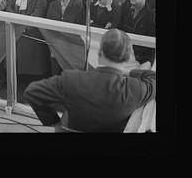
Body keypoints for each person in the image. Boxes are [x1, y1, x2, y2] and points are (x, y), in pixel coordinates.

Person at [23, 29, 156, 132]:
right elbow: (153, 79)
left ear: (99, 53)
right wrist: (130, 72)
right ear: (127, 58)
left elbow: (32, 92)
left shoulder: (72, 79)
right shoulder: (134, 89)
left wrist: (54, 122)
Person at [118, 0, 156, 65]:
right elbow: (119, 29)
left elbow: (151, 45)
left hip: (141, 59)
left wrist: (148, 62)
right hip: (124, 54)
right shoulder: (125, 10)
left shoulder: (151, 16)